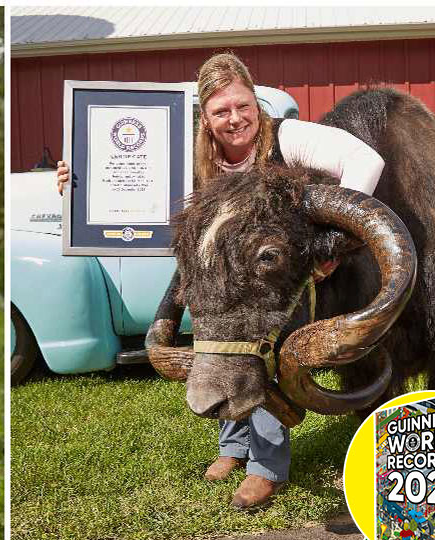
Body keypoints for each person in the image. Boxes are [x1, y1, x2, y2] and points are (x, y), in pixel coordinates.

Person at [56, 53, 385, 509]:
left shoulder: (288, 138)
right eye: (221, 111)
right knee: (216, 345)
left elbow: (365, 160)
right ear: (205, 119)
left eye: (243, 106)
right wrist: (82, 184)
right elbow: (134, 188)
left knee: (263, 353)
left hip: (275, 279)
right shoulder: (192, 158)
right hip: (222, 277)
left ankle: (266, 467)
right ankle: (233, 446)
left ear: (256, 102)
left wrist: (332, 243)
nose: (235, 119)